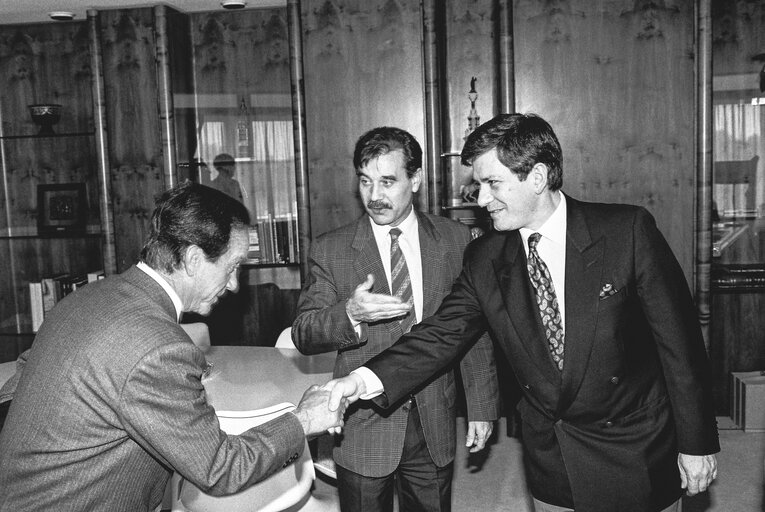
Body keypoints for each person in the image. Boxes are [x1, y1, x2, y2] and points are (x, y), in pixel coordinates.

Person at [325, 114, 720, 512]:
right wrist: (358, 382)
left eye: (492, 183)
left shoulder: (626, 231)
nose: (480, 199)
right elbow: (439, 335)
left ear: (537, 177)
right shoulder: (485, 257)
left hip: (635, 449)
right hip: (554, 455)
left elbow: (680, 347)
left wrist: (697, 442)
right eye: (478, 185)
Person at [0, 182, 345, 511]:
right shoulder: (158, 349)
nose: (236, 285)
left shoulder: (87, 297)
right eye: (233, 266)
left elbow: (25, 371)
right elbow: (220, 469)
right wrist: (303, 420)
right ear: (194, 259)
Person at [292, 126, 500, 512]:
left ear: (415, 179)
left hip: (433, 418)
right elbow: (304, 332)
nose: (374, 196)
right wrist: (349, 312)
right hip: (364, 424)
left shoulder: (457, 240)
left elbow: (473, 330)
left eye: (388, 182)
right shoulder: (332, 248)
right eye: (365, 182)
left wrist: (482, 405)